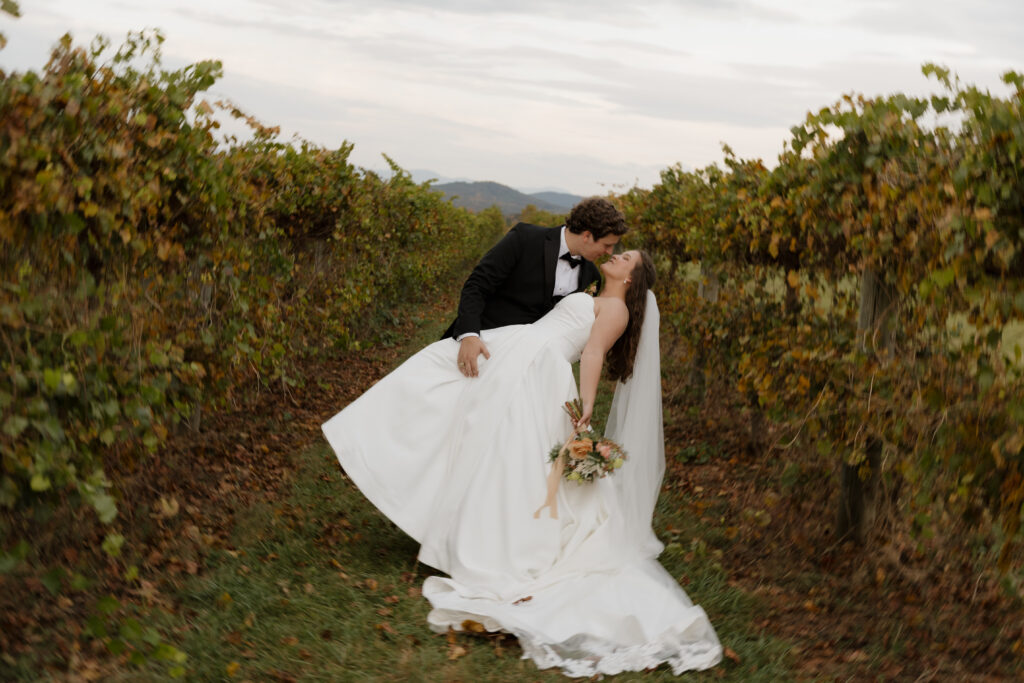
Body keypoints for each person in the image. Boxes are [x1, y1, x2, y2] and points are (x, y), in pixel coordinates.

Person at [321, 250, 723, 677]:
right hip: (517, 348)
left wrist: (585, 410)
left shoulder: (616, 309)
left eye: (626, 257)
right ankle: (379, 451)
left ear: (631, 278)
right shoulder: (592, 290)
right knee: (442, 390)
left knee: (505, 452)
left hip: (539, 370)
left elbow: (592, 354)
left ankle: (488, 536)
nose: (617, 254)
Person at [445, 196, 627, 377]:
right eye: (607, 245)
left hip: (524, 367)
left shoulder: (592, 277)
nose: (609, 252)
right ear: (587, 235)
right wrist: (469, 336)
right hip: (481, 343)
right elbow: (477, 285)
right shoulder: (525, 238)